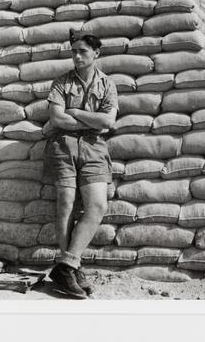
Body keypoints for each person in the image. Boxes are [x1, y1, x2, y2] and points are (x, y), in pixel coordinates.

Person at [41, 28, 118, 299]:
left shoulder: (107, 84)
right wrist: (89, 118)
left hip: (95, 150)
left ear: (96, 53)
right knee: (66, 206)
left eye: (82, 52)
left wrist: (74, 111)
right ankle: (72, 267)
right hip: (63, 147)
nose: (76, 56)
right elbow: (57, 120)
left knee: (97, 205)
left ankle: (66, 265)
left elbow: (109, 122)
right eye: (73, 51)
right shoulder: (61, 83)